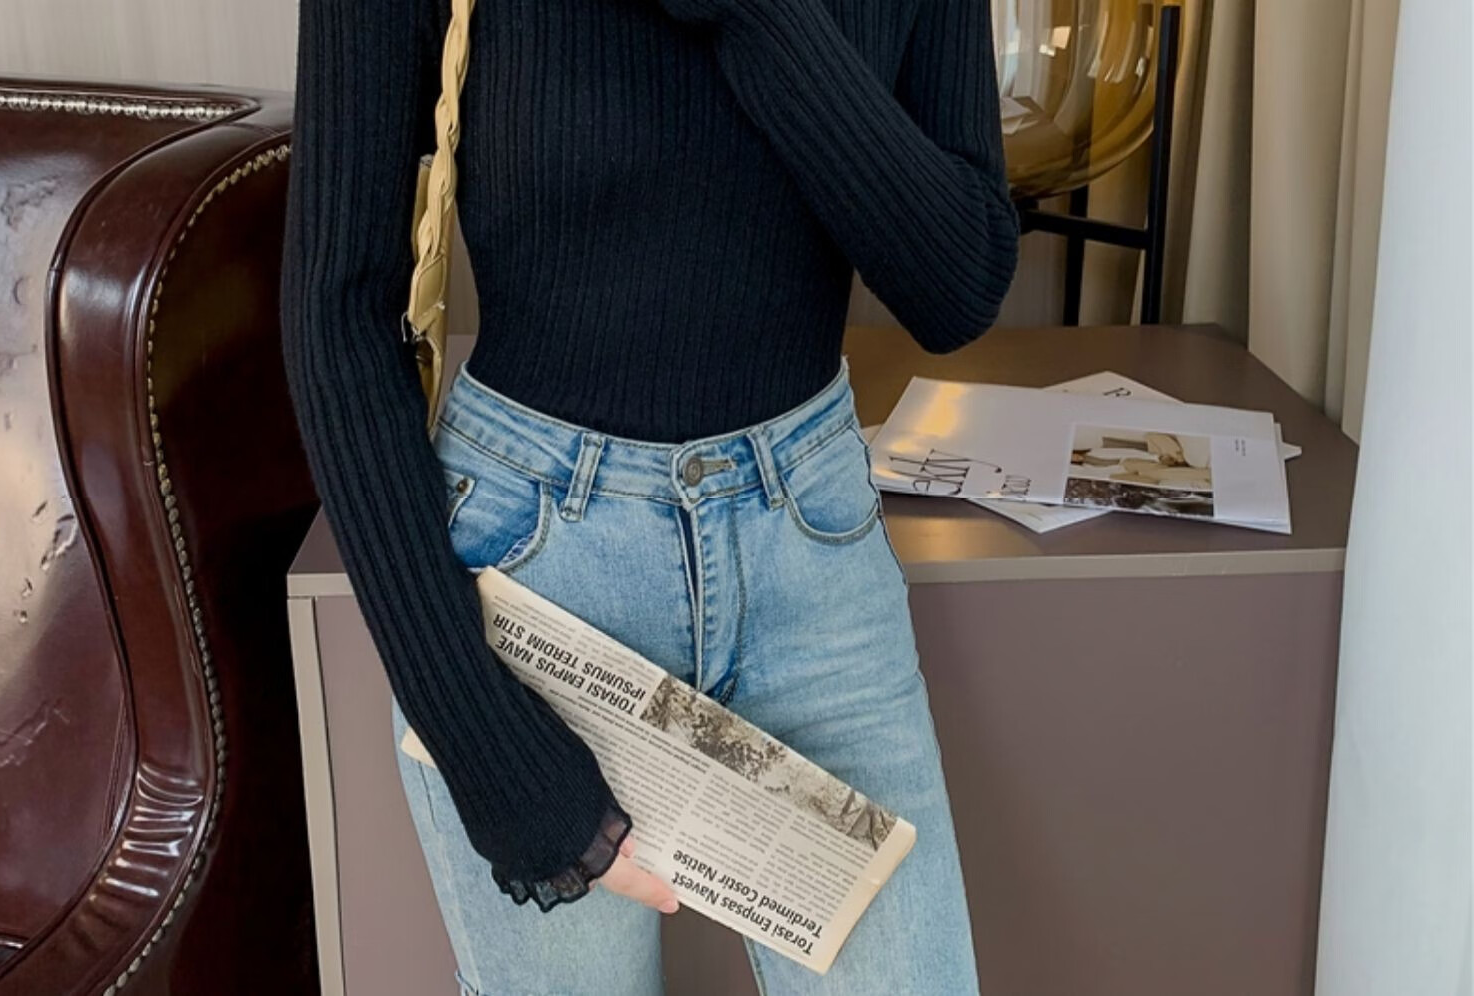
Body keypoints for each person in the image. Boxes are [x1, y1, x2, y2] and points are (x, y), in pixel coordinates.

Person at [278, 0, 1019, 989]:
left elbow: (956, 283)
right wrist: (477, 734)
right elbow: (340, 310)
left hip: (812, 557)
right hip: (537, 574)